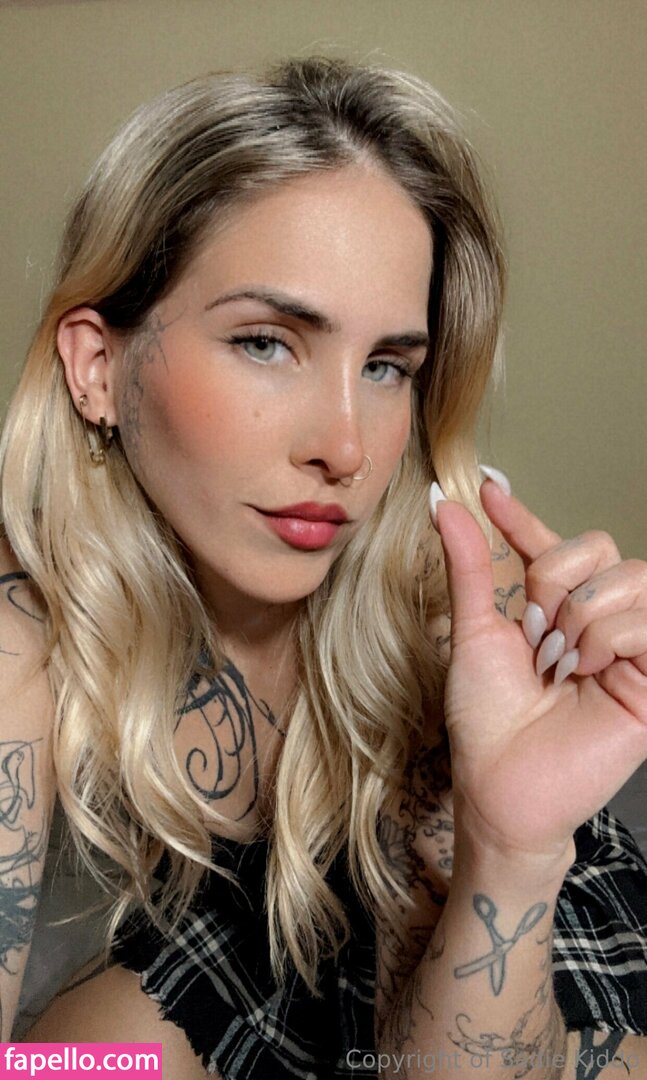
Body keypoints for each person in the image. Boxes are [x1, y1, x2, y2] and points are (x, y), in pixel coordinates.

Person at [0, 55, 645, 1079]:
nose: (346, 449)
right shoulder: (20, 633)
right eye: (266, 343)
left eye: (386, 366)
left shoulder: (451, 596)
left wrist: (512, 853)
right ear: (97, 366)